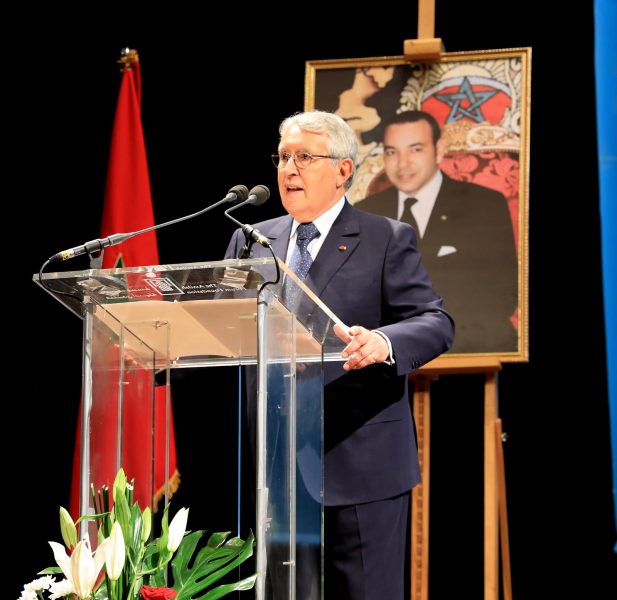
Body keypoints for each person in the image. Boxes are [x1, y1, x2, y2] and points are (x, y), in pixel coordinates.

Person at [224, 110, 454, 599]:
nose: (289, 169)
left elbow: (435, 322)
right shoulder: (250, 241)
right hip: (273, 468)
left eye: (304, 157)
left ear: (343, 170)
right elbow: (221, 328)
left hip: (360, 464)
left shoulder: (385, 238)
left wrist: (384, 341)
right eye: (283, 157)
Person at [354, 110, 518, 353]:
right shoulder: (366, 211)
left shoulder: (483, 204)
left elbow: (503, 293)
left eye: (415, 149)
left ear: (439, 150)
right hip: (387, 355)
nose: (402, 163)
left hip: (467, 346)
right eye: (392, 152)